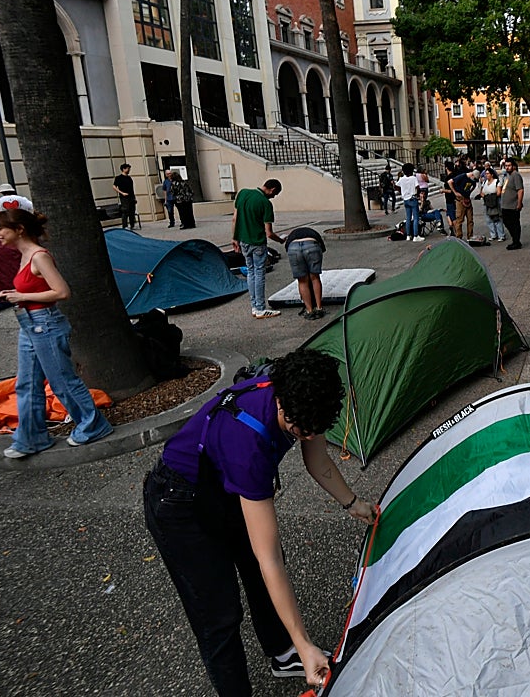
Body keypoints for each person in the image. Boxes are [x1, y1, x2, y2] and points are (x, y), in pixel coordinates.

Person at [143, 346, 377, 694]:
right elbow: (271, 562)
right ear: (282, 405)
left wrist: (352, 502)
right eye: (301, 431)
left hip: (224, 486)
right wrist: (305, 640)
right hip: (179, 503)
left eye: (316, 430)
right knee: (219, 615)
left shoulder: (300, 396)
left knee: (256, 572)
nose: (309, 437)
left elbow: (317, 460)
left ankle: (283, 653)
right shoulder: (248, 444)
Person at [0, 209, 114, 458]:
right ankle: (31, 438)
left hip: (45, 324)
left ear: (19, 230)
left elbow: (61, 292)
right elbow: (36, 288)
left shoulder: (38, 256)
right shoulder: (25, 256)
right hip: (30, 324)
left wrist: (22, 295)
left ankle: (93, 425)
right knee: (26, 383)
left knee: (62, 381)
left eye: (1, 228)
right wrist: (13, 294)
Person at [232, 179, 285, 319]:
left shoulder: (242, 193)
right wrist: (281, 240)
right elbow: (269, 233)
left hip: (243, 240)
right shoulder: (266, 203)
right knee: (259, 273)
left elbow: (234, 219)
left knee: (250, 272)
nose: (273, 197)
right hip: (258, 242)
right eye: (275, 194)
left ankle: (254, 306)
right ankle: (261, 308)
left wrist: (234, 238)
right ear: (272, 189)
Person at [284, 224, 325, 319]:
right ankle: (319, 308)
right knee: (315, 278)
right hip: (312, 244)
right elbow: (322, 249)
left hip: (293, 248)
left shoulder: (292, 236)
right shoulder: (314, 233)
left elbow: (287, 248)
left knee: (302, 281)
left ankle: (309, 310)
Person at [500, 157, 525, 250]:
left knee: (514, 223)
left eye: (509, 166)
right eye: (506, 166)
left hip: (512, 205)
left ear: (513, 166)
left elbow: (520, 190)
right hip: (505, 205)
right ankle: (515, 239)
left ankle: (516, 241)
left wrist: (519, 202)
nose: (507, 167)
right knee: (506, 222)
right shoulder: (507, 176)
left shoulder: (516, 175)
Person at [448, 164, 479, 239]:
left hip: (467, 199)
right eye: (473, 178)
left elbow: (474, 185)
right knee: (460, 219)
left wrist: (470, 192)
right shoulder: (462, 176)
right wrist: (455, 192)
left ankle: (470, 236)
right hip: (460, 200)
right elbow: (450, 182)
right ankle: (459, 237)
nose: (474, 180)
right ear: (471, 174)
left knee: (470, 220)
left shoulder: (473, 180)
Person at [481, 167, 506, 242]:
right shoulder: (484, 182)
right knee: (489, 219)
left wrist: (491, 196)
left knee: (497, 219)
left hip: (495, 202)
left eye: (488, 173)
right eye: (485, 174)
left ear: (491, 174)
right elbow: (481, 192)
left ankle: (501, 235)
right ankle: (493, 234)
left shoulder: (497, 182)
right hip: (487, 202)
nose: (486, 175)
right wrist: (485, 196)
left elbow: (498, 192)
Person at [398, 163, 420, 242]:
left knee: (408, 218)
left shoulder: (401, 179)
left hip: (405, 199)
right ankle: (415, 235)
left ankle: (408, 235)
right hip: (412, 198)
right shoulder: (413, 178)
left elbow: (396, 186)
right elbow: (418, 187)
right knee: (415, 218)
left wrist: (402, 192)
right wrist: (417, 195)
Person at [113, 163, 137, 230]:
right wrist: (122, 193)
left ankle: (132, 224)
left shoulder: (129, 178)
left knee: (132, 211)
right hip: (124, 197)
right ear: (123, 169)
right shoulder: (118, 178)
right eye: (128, 169)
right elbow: (114, 186)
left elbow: (132, 188)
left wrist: (134, 197)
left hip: (131, 196)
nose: (129, 170)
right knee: (125, 210)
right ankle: (125, 225)